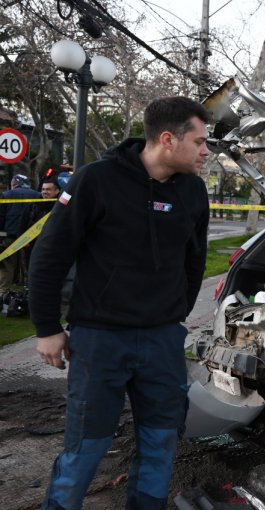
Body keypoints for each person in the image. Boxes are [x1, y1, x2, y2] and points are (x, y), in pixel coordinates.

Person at [29, 96, 211, 510]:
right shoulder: (96, 180)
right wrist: (46, 328)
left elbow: (194, 261)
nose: (206, 151)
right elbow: (49, 256)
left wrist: (173, 315)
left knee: (161, 441)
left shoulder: (194, 191)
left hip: (162, 341)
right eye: (199, 142)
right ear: (168, 139)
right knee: (87, 446)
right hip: (100, 339)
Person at [0, 173, 42, 292]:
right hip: (31, 236)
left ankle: (3, 295)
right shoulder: (38, 195)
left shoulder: (6, 195)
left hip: (10, 236)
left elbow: (1, 217)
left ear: (15, 184)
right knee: (30, 265)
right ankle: (30, 292)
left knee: (7, 267)